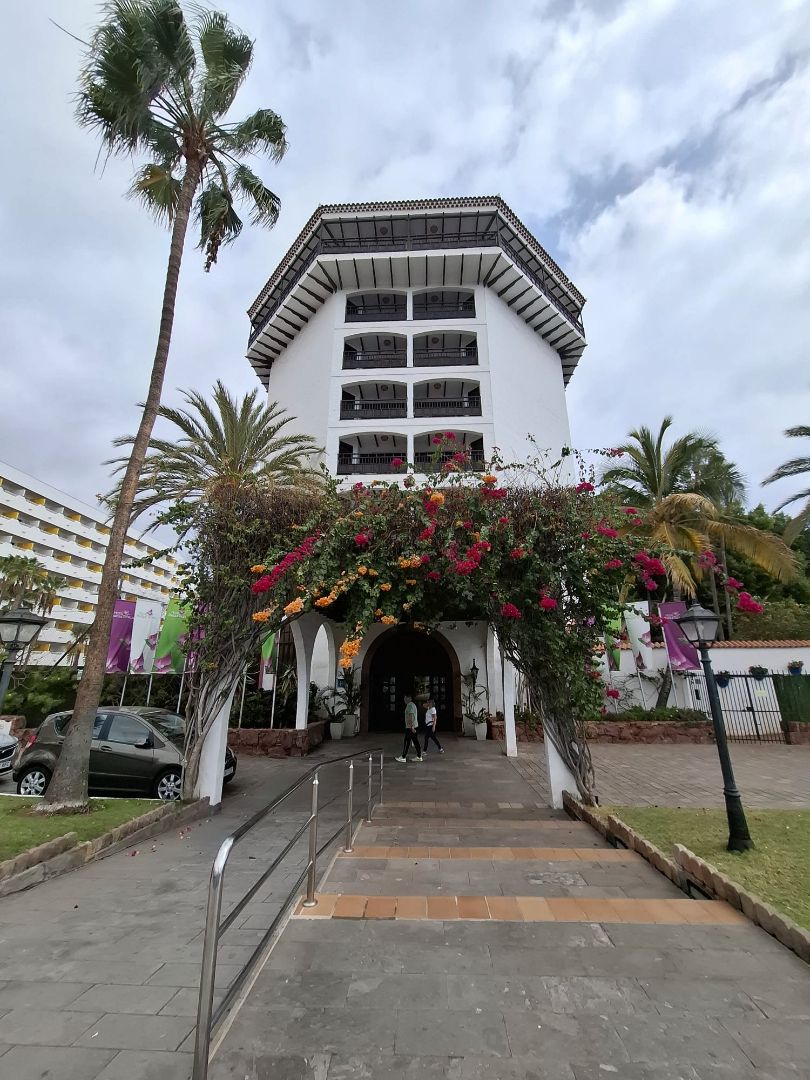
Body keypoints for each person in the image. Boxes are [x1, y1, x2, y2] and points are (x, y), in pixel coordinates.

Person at [395, 693, 423, 763]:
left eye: (405, 698)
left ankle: (403, 757)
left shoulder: (409, 705)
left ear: (409, 698)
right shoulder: (413, 705)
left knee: (407, 742)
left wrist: (411, 727)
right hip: (414, 726)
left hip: (410, 727)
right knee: (415, 741)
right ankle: (419, 756)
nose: (404, 700)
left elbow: (410, 716)